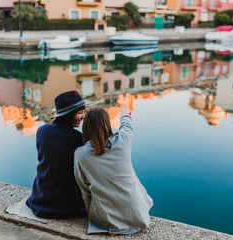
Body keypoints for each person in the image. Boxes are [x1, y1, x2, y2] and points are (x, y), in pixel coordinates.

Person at [74, 106, 153, 234]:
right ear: (107, 124)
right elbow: (127, 126)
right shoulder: (123, 140)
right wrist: (125, 115)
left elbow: (84, 186)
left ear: (86, 127)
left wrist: (89, 208)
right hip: (139, 215)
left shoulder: (80, 154)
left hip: (109, 220)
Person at [26, 90, 86, 218]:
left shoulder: (42, 130)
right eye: (80, 113)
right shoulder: (77, 138)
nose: (83, 116)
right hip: (65, 204)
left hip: (40, 197)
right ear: (69, 115)